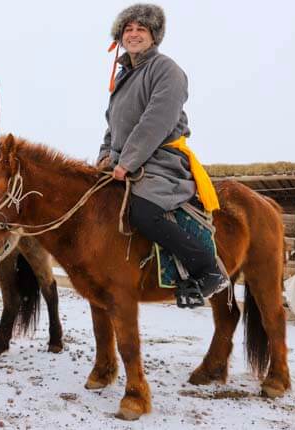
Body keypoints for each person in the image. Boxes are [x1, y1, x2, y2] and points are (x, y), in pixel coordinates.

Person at [98, 4, 229, 307]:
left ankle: (207, 270)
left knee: (142, 210)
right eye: (128, 29)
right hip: (125, 161)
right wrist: (105, 157)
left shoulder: (167, 70)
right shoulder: (122, 78)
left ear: (154, 36)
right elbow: (111, 126)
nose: (133, 34)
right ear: (120, 36)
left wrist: (126, 163)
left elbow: (156, 122)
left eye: (141, 29)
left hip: (161, 162)